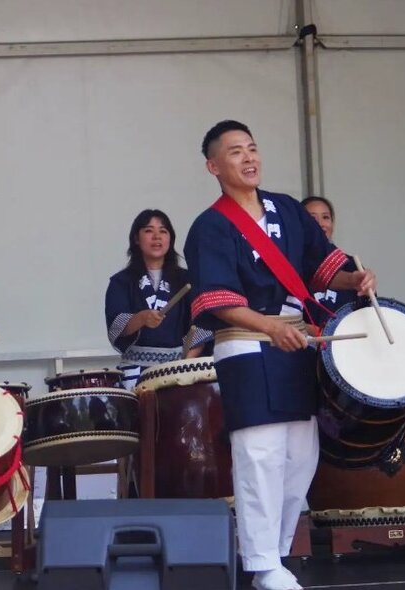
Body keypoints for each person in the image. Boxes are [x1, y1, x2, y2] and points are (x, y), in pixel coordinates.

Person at [184, 120, 374, 590]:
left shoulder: (287, 209)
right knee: (260, 456)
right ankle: (261, 561)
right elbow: (215, 301)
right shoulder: (211, 225)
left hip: (297, 344)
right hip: (248, 345)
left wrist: (355, 280)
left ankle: (277, 553)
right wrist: (268, 326)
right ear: (213, 166)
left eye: (252, 148)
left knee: (299, 456)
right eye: (234, 152)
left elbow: (324, 264)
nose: (248, 158)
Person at [105, 209, 210, 390]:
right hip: (136, 371)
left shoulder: (187, 280)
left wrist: (184, 365)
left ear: (170, 239)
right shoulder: (121, 282)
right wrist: (142, 318)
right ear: (136, 239)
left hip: (178, 371)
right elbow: (117, 326)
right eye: (148, 231)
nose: (156, 237)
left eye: (163, 231)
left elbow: (201, 327)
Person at [301, 196, 358, 324]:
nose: (321, 224)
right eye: (312, 218)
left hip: (344, 342)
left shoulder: (352, 265)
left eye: (325, 217)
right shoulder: (293, 264)